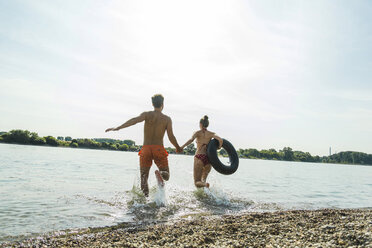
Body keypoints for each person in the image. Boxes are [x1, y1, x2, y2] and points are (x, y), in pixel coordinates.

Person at [105, 94, 182, 196]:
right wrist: (177, 147)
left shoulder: (147, 115)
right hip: (158, 149)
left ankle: (144, 202)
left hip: (145, 149)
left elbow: (134, 121)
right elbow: (171, 136)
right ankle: (161, 174)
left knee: (144, 177)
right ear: (163, 104)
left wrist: (118, 127)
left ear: (152, 104)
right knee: (166, 176)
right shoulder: (166, 119)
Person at [180, 115, 223, 188]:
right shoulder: (211, 134)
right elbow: (220, 140)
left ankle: (205, 184)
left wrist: (182, 147)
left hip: (199, 157)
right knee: (203, 180)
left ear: (200, 124)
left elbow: (191, 140)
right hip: (209, 159)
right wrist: (218, 147)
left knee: (197, 182)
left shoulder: (197, 133)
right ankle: (205, 187)